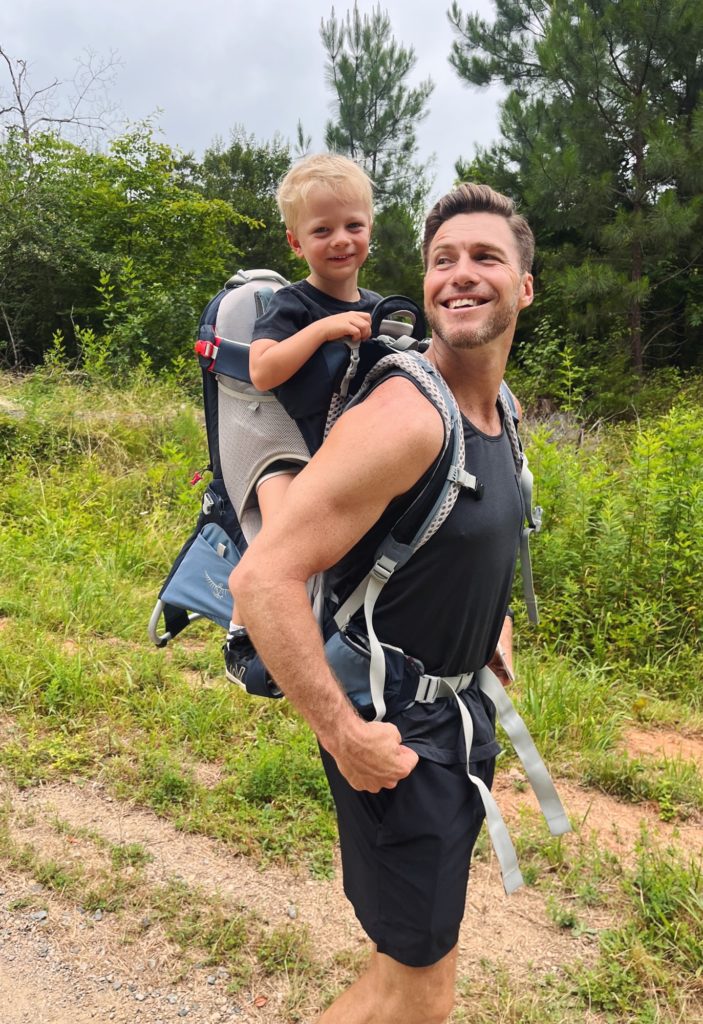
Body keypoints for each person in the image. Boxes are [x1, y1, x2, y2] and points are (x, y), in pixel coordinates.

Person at [230, 182, 535, 1024]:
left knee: (410, 960)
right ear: (425, 281)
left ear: (524, 285)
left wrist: (489, 622)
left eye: (484, 258)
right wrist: (342, 732)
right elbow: (260, 579)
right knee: (417, 989)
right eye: (443, 261)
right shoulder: (405, 415)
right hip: (395, 732)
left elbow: (462, 533)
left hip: (455, 720)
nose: (460, 275)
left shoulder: (500, 409)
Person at [224, 153, 382, 686]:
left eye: (353, 225)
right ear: (296, 242)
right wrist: (323, 330)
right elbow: (262, 370)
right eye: (322, 230)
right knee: (285, 526)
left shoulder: (380, 307)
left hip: (354, 450)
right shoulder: (292, 305)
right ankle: (244, 629)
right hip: (289, 443)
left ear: (370, 229)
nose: (341, 239)